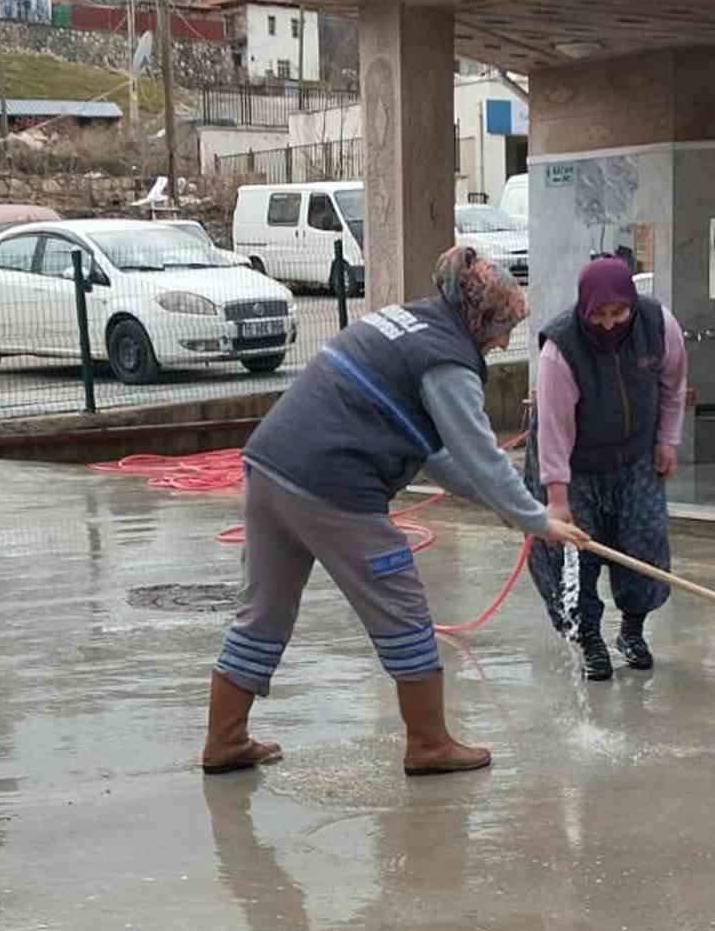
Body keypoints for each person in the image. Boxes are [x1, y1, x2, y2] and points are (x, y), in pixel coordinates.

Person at [203, 247, 589, 779]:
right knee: (402, 609)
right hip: (333, 488)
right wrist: (533, 517)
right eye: (501, 328)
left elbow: (435, 452)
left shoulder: (408, 325)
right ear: (477, 316)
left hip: (270, 470)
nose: (503, 342)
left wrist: (502, 507)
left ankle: (224, 739)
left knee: (264, 610)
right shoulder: (447, 360)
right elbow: (477, 451)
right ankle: (429, 744)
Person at [525, 257, 687, 681]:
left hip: (634, 456)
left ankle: (632, 632)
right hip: (572, 463)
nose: (610, 323)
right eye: (599, 314)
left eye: (619, 313)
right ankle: (589, 638)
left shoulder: (658, 325)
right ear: (583, 309)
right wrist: (557, 500)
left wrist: (667, 441)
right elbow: (554, 431)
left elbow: (673, 386)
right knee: (573, 555)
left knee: (645, 543)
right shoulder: (561, 350)